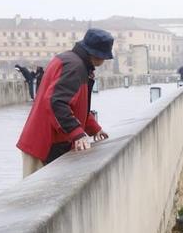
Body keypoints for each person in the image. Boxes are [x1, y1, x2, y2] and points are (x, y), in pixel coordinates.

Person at [16, 28, 113, 177]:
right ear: (97, 55)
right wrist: (77, 134)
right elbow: (56, 102)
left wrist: (95, 129)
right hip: (43, 145)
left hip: (48, 141)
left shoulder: (71, 60)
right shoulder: (76, 67)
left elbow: (77, 107)